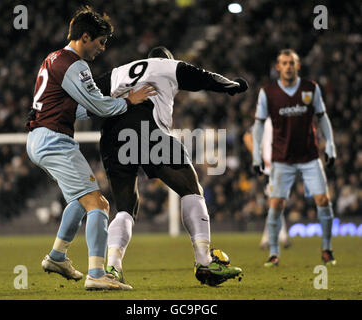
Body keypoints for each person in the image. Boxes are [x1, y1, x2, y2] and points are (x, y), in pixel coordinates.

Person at [93, 46, 248, 288]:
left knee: (125, 207)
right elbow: (204, 77)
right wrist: (233, 85)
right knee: (191, 189)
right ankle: (205, 261)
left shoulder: (118, 72)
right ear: (167, 60)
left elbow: (87, 94)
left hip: (112, 136)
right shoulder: (167, 66)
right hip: (147, 129)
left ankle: (113, 267)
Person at [25, 6, 156, 291]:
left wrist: (113, 98)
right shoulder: (74, 64)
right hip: (53, 140)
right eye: (100, 41)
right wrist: (128, 101)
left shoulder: (53, 58)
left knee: (79, 200)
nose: (103, 47)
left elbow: (75, 109)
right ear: (85, 37)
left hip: (41, 138)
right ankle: (97, 273)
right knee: (99, 204)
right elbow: (98, 106)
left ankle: (58, 256)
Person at [252, 49, 337, 267]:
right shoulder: (268, 93)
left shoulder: (311, 88)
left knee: (323, 200)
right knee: (276, 204)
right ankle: (273, 253)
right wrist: (256, 155)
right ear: (278, 67)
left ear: (298, 66)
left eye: (292, 63)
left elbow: (322, 117)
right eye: (284, 63)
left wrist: (331, 146)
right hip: (282, 159)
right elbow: (259, 124)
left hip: (309, 156)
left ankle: (327, 249)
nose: (288, 66)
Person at [243, 118, 291, 250]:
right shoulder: (265, 121)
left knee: (277, 202)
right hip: (270, 170)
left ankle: (274, 237)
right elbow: (247, 137)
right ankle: (278, 237)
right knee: (275, 202)